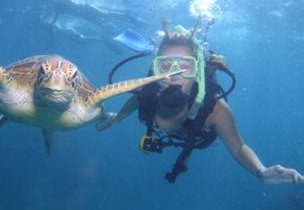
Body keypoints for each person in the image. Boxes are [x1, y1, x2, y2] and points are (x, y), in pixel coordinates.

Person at [97, 24, 304, 184]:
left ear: (197, 71)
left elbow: (239, 147)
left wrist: (261, 172)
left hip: (198, 135)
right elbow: (134, 101)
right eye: (166, 65)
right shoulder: (146, 91)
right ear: (155, 68)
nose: (174, 75)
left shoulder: (214, 109)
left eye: (185, 66)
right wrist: (117, 118)